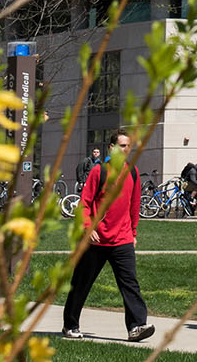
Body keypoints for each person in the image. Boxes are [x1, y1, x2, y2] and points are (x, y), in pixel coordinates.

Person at [62, 132, 154, 342]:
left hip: (122, 240)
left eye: (129, 146)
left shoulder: (133, 173)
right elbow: (83, 204)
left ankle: (137, 326)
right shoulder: (99, 171)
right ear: (111, 148)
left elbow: (134, 205)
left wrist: (133, 232)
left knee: (130, 283)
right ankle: (70, 324)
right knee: (82, 283)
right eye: (122, 145)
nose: (126, 149)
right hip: (95, 240)